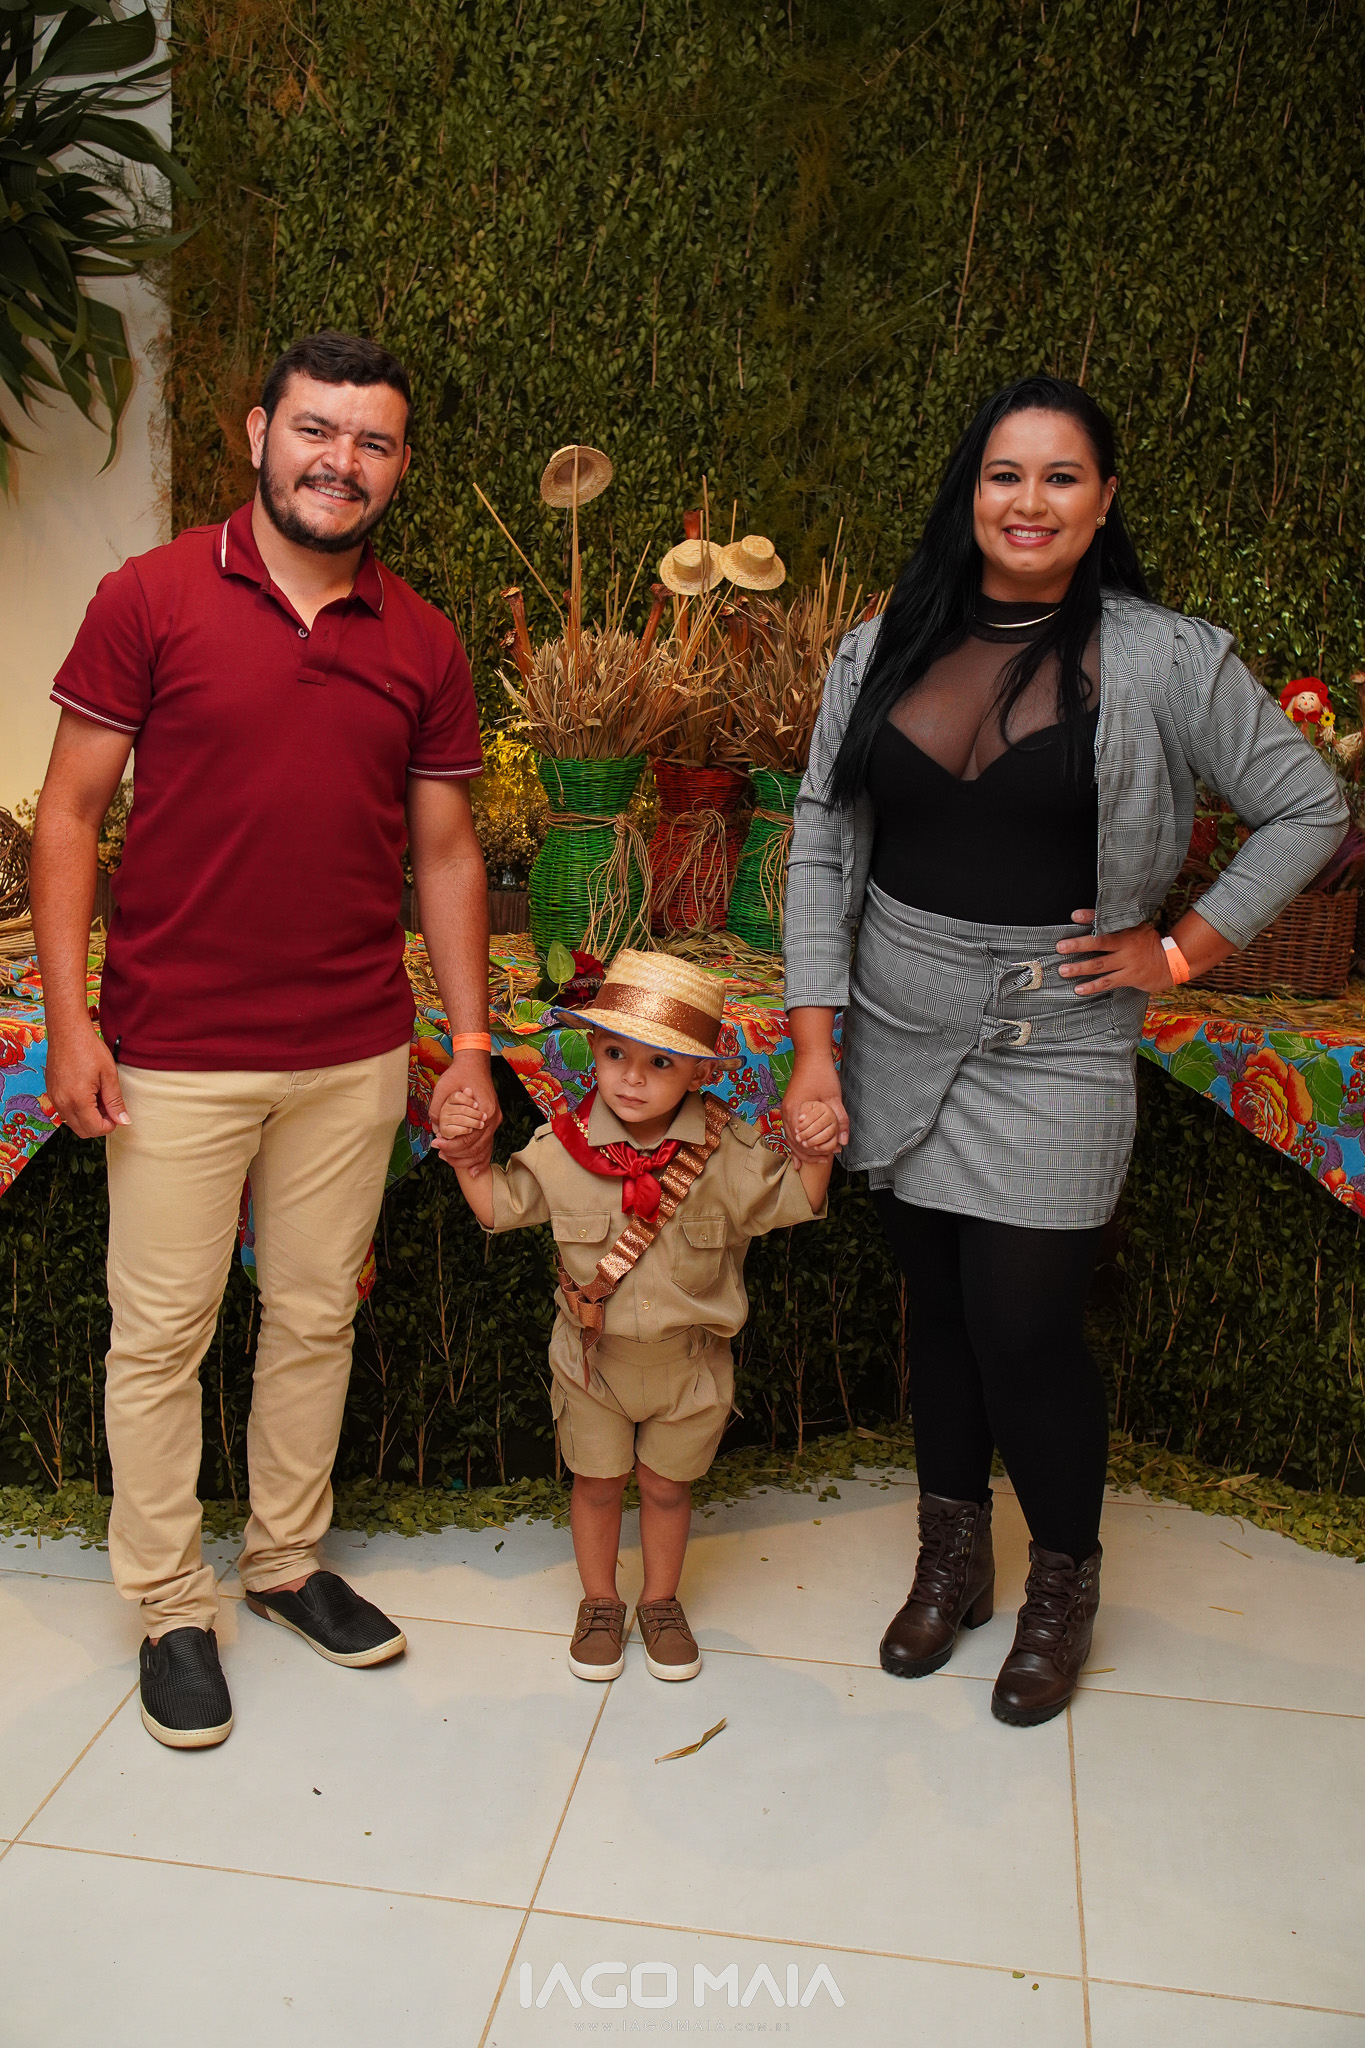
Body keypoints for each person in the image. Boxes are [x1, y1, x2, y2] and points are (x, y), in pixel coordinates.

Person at [780, 373, 1347, 1728]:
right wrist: (814, 1045)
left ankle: (1060, 1586)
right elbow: (821, 839)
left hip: (1062, 1036)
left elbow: (1308, 805)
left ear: (1103, 502)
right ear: (969, 492)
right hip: (897, 1023)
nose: (1027, 501)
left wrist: (1182, 950)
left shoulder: (1165, 657)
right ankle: (953, 1561)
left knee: (1024, 1325)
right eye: (1004, 474)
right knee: (938, 1311)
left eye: (1060, 476)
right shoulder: (881, 646)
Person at [30, 330, 500, 1749]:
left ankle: (286, 1561)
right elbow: (68, 817)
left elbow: (447, 854)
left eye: (371, 441)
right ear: (257, 433)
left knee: (313, 1316)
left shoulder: (422, 640)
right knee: (161, 1336)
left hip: (353, 1052)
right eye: (315, 429)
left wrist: (471, 1043)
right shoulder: (151, 595)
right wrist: (70, 1024)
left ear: (398, 467)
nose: (338, 461)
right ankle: (171, 1604)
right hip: (173, 1048)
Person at [439, 949, 837, 1683]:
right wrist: (469, 1157)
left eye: (660, 1063)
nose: (630, 1077)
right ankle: (599, 1602)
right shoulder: (561, 1148)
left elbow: (796, 1201)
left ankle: (659, 1602)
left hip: (690, 1367)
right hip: (593, 1365)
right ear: (592, 1049)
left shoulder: (727, 1153)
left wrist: (817, 1147)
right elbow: (499, 1206)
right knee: (595, 1484)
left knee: (665, 1487)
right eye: (616, 1053)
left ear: (699, 1074)